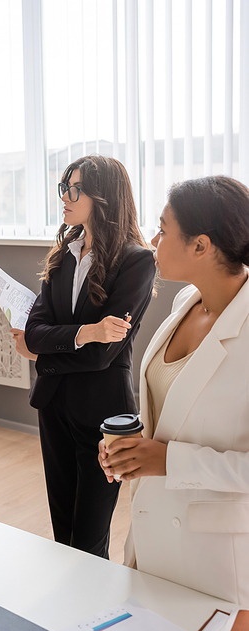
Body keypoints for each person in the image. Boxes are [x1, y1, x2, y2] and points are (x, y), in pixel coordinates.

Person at [99, 175, 249, 605]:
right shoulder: (186, 301)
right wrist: (130, 450)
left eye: (163, 230)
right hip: (151, 532)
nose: (152, 240)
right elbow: (175, 412)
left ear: (201, 245)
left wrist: (169, 461)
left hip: (217, 560)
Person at [13, 155, 155, 558]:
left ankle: (97, 617)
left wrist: (45, 356)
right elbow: (36, 330)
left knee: (89, 540)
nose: (65, 197)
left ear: (103, 196)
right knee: (63, 530)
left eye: (74, 189)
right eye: (64, 187)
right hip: (54, 405)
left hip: (103, 415)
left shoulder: (137, 261)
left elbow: (102, 355)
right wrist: (86, 332)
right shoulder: (62, 254)